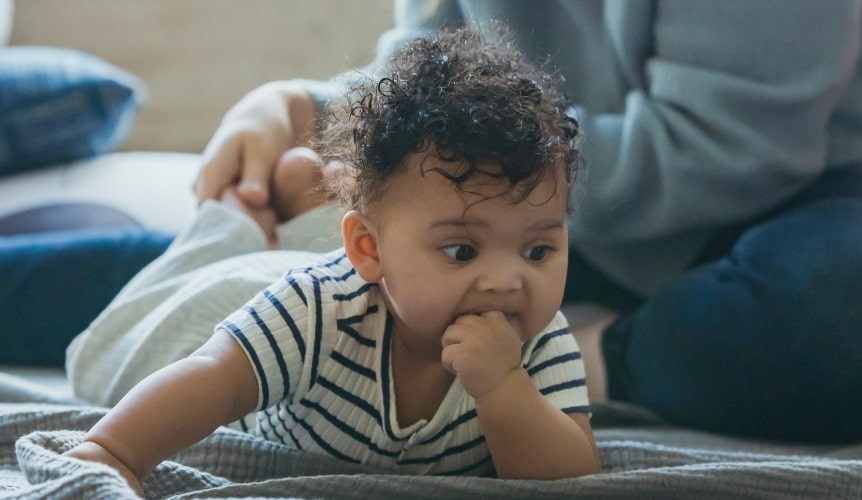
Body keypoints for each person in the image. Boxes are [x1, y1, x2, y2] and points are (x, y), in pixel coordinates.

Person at [181, 0, 862, 444]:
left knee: (850, 309)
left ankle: (592, 352)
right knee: (240, 252)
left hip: (820, 192)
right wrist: (302, 109)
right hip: (541, 196)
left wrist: (487, 204)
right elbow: (430, 69)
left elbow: (733, 145)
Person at [64, 27, 600, 492]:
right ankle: (237, 221)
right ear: (368, 248)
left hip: (355, 270)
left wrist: (505, 388)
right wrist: (111, 452)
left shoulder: (537, 343)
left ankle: (304, 207)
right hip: (224, 301)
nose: (509, 281)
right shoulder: (319, 308)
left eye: (538, 250)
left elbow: (574, 478)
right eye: (462, 251)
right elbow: (214, 377)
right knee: (118, 345)